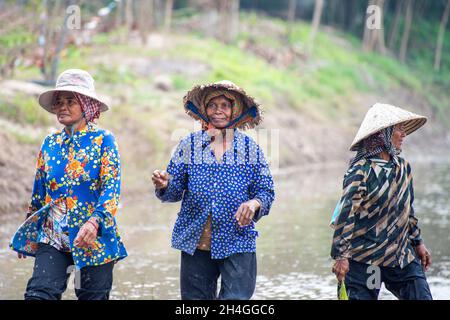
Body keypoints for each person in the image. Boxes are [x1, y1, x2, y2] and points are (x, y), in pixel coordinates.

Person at [10, 69, 127, 300]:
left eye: (71, 101)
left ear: (86, 105)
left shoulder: (104, 140)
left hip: (94, 236)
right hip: (54, 235)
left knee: (92, 296)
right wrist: (29, 229)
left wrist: (94, 223)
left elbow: (111, 190)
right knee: (39, 294)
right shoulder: (50, 143)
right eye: (59, 102)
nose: (62, 107)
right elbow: (39, 191)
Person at [152, 80, 275, 300]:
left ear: (234, 110)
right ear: (205, 110)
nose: (218, 111)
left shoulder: (250, 149)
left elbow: (265, 191)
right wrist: (164, 185)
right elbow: (174, 190)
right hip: (195, 241)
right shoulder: (189, 144)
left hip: (237, 239)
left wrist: (253, 203)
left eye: (224, 106)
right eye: (212, 105)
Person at [331, 103, 432, 300]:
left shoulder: (403, 168)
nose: (403, 135)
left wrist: (418, 243)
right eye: (398, 129)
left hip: (401, 258)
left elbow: (408, 210)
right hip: (367, 263)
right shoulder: (360, 171)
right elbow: (346, 215)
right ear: (382, 134)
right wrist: (341, 256)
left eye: (404, 129)